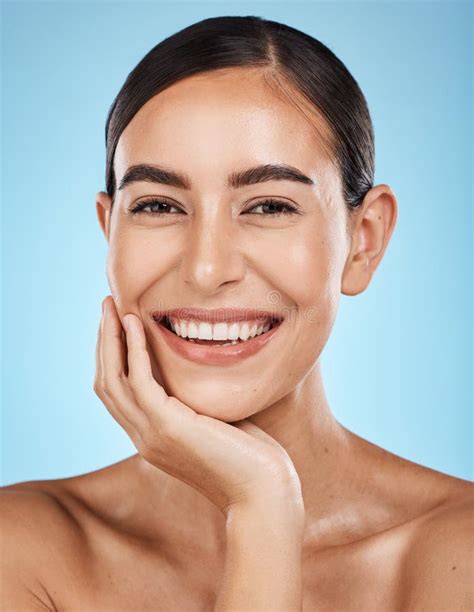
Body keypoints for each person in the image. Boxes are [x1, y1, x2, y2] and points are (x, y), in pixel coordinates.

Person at [2, 15, 472, 611]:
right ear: (109, 233)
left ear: (364, 240)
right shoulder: (18, 551)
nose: (206, 268)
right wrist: (261, 508)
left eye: (270, 205)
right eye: (158, 205)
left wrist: (259, 509)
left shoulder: (459, 552)